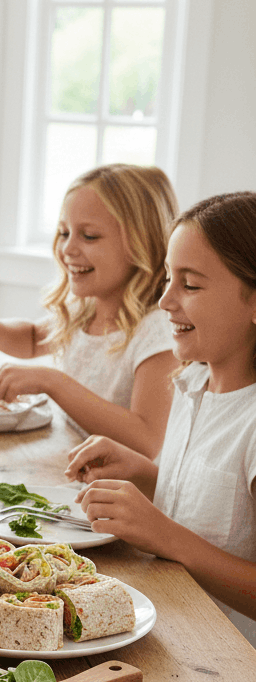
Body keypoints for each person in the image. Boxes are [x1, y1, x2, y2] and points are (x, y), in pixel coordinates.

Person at [66, 191, 256, 647]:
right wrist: (146, 476)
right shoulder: (193, 382)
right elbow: (222, 514)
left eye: (190, 285)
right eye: (168, 278)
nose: (165, 300)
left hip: (229, 665)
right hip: (168, 628)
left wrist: (164, 536)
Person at [0, 164, 179, 458]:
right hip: (70, 465)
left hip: (120, 493)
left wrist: (52, 382)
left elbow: (146, 439)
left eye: (90, 236)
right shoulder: (85, 309)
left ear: (141, 243)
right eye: (64, 232)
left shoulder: (157, 332)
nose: (68, 248)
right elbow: (32, 338)